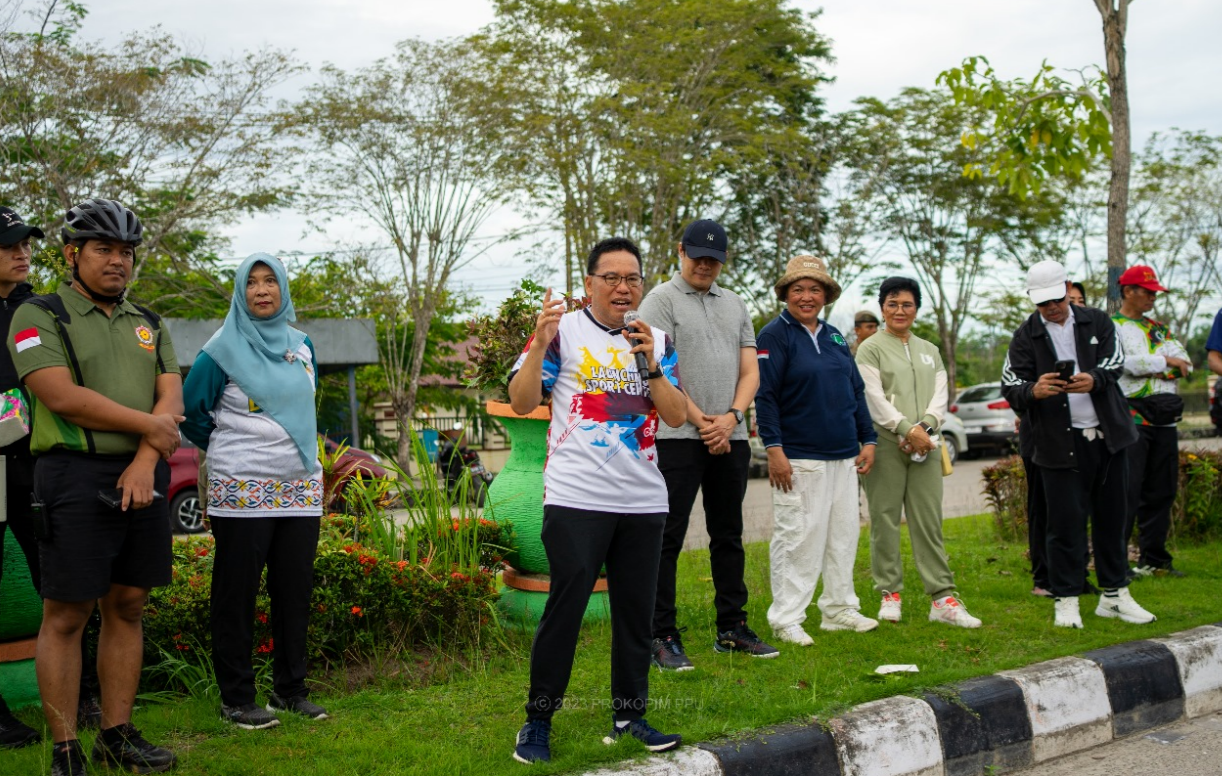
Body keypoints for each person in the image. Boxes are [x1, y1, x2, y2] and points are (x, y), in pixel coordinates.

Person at [8, 199, 182, 775]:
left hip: (143, 470)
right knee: (67, 611)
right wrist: (151, 432)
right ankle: (65, 749)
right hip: (72, 474)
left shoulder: (150, 323)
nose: (117, 261)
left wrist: (145, 458)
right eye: (104, 249)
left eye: (126, 252)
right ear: (71, 254)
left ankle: (117, 734)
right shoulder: (38, 314)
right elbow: (60, 396)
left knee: (128, 604)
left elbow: (170, 400)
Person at [507, 237, 686, 765]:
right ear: (589, 285)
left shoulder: (656, 338)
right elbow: (521, 402)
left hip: (643, 499)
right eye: (611, 277)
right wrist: (538, 343)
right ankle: (537, 722)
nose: (623, 287)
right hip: (577, 496)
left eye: (632, 278)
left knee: (636, 614)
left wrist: (652, 363)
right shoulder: (562, 333)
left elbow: (674, 416)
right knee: (566, 609)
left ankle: (630, 717)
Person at [181, 253, 328, 731]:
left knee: (293, 592)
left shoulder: (302, 345)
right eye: (252, 283)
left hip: (300, 486)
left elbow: (306, 406)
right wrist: (238, 453)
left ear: (284, 289)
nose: (263, 290)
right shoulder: (218, 350)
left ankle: (290, 691)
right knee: (236, 595)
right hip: (242, 490)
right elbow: (195, 414)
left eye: (271, 281)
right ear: (240, 292)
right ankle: (238, 698)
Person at [638, 218, 776, 672]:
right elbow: (659, 370)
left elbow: (750, 370)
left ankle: (732, 628)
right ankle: (661, 634)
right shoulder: (659, 300)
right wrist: (702, 423)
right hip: (677, 437)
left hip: (731, 436)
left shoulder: (735, 303)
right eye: (698, 256)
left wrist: (732, 418)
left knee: (728, 535)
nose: (704, 265)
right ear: (681, 251)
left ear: (723, 261)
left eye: (714, 259)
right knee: (666, 538)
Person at [1000, 260, 1154, 629]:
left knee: (1113, 520)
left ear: (1067, 288)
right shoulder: (1025, 335)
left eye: (1056, 299)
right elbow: (1010, 384)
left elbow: (1115, 363)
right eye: (1042, 303)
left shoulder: (1097, 321)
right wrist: (1032, 390)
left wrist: (1095, 379)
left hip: (1108, 439)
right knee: (1064, 525)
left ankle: (1115, 595)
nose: (1050, 308)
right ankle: (1065, 598)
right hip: (1057, 444)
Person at [755, 255, 878, 645]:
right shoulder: (774, 335)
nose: (806, 296)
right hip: (799, 457)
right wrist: (774, 448)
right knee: (799, 537)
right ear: (786, 294)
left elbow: (855, 391)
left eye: (814, 289)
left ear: (826, 295)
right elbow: (765, 396)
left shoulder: (836, 337)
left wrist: (869, 439)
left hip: (843, 454)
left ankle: (839, 610)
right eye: (798, 289)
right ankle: (787, 618)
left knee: (842, 535)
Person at [855, 276, 982, 629]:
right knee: (884, 519)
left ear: (917, 309)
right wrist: (903, 428)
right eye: (892, 303)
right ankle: (889, 594)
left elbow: (941, 395)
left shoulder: (930, 349)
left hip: (926, 444)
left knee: (928, 522)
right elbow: (872, 396)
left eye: (907, 304)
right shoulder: (870, 348)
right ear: (882, 307)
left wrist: (924, 429)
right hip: (885, 445)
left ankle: (942, 598)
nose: (899, 310)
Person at [1113, 264, 1191, 578]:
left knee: (1162, 491)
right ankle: (1117, 561)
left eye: (1155, 293)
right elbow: (1122, 364)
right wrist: (1163, 361)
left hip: (1165, 421)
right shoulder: (1111, 327)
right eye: (1148, 292)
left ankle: (1154, 558)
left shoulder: (1159, 328)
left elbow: (1185, 365)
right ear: (1129, 291)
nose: (1153, 298)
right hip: (1132, 418)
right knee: (1127, 491)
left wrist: (1165, 364)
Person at [0, 207, 44, 750]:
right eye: (8, 244)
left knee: (56, 580)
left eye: (25, 243)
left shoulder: (37, 309)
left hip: (36, 465)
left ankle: (80, 694)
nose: (21, 251)